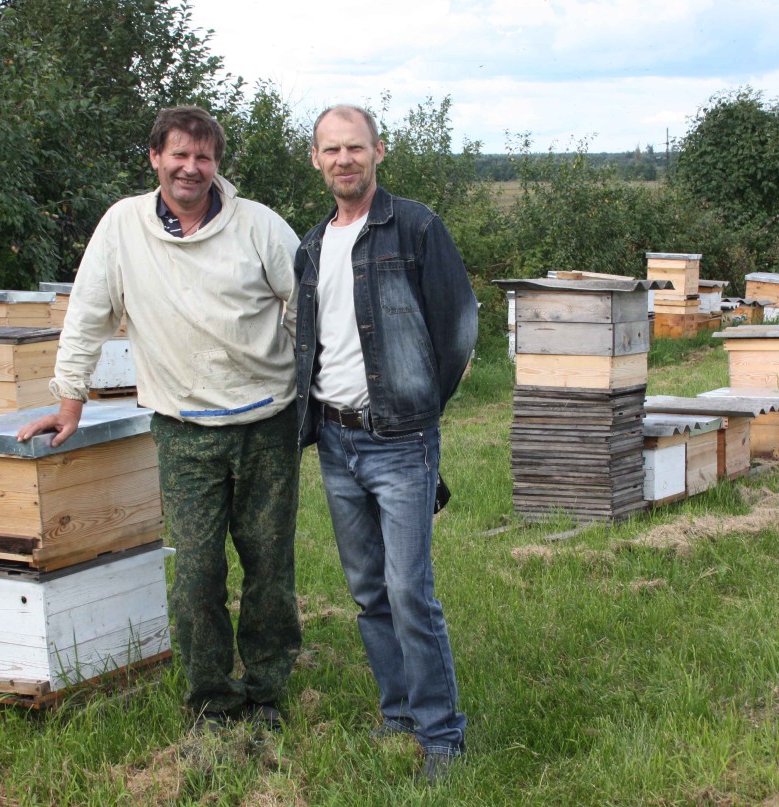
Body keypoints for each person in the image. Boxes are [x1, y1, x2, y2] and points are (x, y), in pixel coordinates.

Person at [17, 106, 302, 732]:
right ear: (155, 158)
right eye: (179, 155)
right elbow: (88, 314)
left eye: (203, 157)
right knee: (197, 571)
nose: (190, 168)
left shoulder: (260, 227)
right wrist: (70, 400)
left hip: (267, 424)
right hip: (183, 429)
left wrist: (310, 388)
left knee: (269, 564)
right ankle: (212, 699)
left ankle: (267, 688)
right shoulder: (122, 226)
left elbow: (304, 305)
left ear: (217, 165)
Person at [293, 104, 477, 783]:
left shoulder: (416, 227)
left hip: (400, 442)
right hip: (336, 442)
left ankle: (442, 737)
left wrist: (420, 407)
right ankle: (398, 714)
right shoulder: (311, 246)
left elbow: (457, 329)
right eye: (332, 149)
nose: (345, 160)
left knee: (409, 590)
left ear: (379, 152)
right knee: (368, 589)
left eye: (356, 148)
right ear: (316, 159)